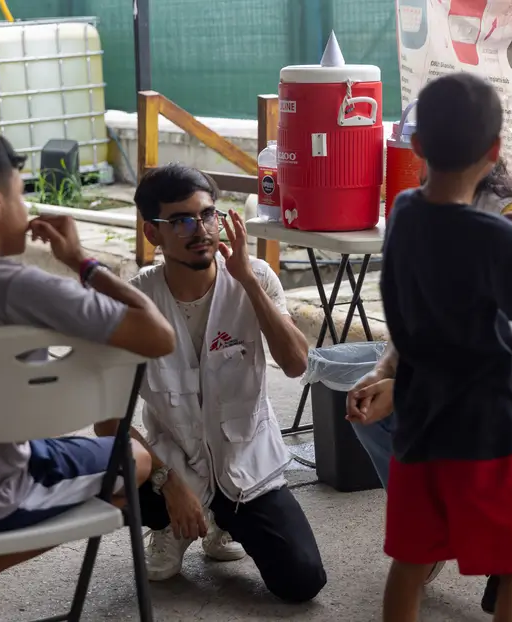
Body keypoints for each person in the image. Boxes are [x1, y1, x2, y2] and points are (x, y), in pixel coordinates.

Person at [0, 124, 176, 621]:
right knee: (135, 462)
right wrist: (80, 261)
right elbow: (158, 335)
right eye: (22, 194)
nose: (26, 209)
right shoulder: (23, 287)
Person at [370, 74, 512, 622]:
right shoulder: (492, 238)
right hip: (486, 429)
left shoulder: (404, 211)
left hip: (418, 419)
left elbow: (450, 238)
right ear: (496, 150)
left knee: (410, 559)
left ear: (419, 145)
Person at [94, 164, 327, 603]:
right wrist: (168, 483)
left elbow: (296, 365)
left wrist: (245, 281)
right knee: (99, 473)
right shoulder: (133, 302)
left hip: (245, 463)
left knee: (302, 581)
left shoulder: (255, 276)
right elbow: (107, 422)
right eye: (181, 220)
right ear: (153, 234)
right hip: (171, 464)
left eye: (208, 215)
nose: (200, 229)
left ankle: (223, 519)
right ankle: (168, 523)